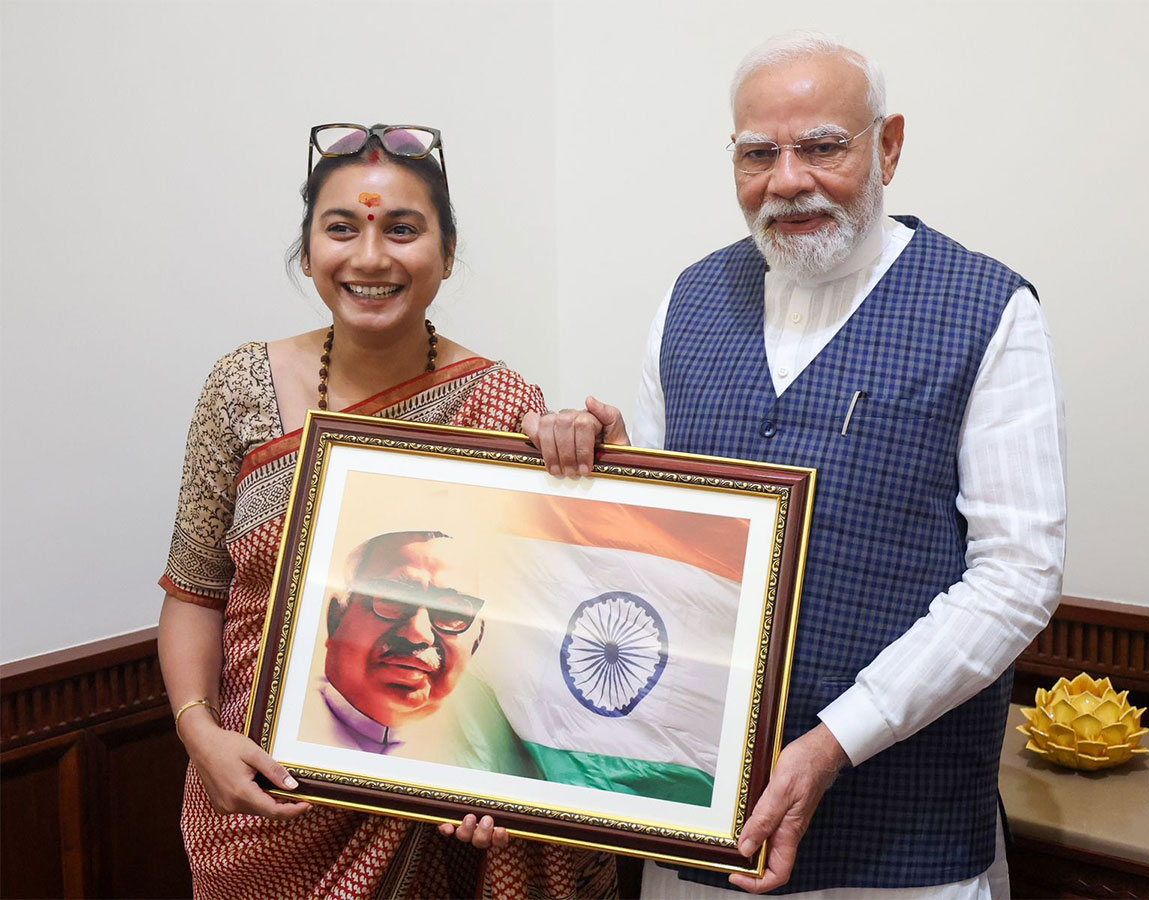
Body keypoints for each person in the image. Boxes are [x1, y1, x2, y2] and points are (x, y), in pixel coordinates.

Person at [524, 30, 1066, 899]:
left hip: (904, 841)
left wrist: (833, 742)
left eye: (821, 146)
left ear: (888, 145)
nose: (787, 181)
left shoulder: (989, 309)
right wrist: (599, 472)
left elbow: (1018, 577)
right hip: (700, 823)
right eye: (757, 154)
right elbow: (664, 543)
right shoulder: (689, 299)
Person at [158, 124, 616, 899]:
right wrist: (200, 734)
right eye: (343, 228)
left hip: (438, 817)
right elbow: (194, 593)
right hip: (258, 801)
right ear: (308, 252)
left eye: (402, 229)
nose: (371, 258)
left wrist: (584, 460)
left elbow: (527, 640)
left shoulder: (503, 408)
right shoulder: (241, 389)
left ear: (446, 249)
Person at [303, 530, 541, 779]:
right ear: (335, 616)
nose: (418, 633)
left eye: (450, 609)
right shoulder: (283, 731)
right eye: (393, 598)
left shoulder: (495, 762)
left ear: (476, 643)